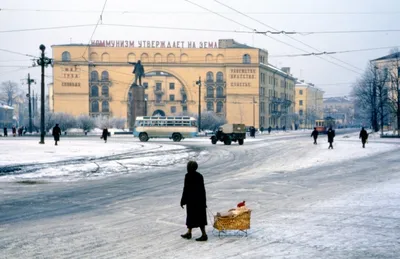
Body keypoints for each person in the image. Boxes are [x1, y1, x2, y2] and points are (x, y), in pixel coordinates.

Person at [180, 161, 208, 242]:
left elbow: (186, 189)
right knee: (200, 217)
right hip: (199, 200)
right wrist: (204, 202)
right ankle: (192, 233)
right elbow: (203, 190)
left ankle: (203, 235)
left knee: (191, 217)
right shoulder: (199, 176)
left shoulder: (188, 176)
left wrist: (182, 200)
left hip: (191, 201)